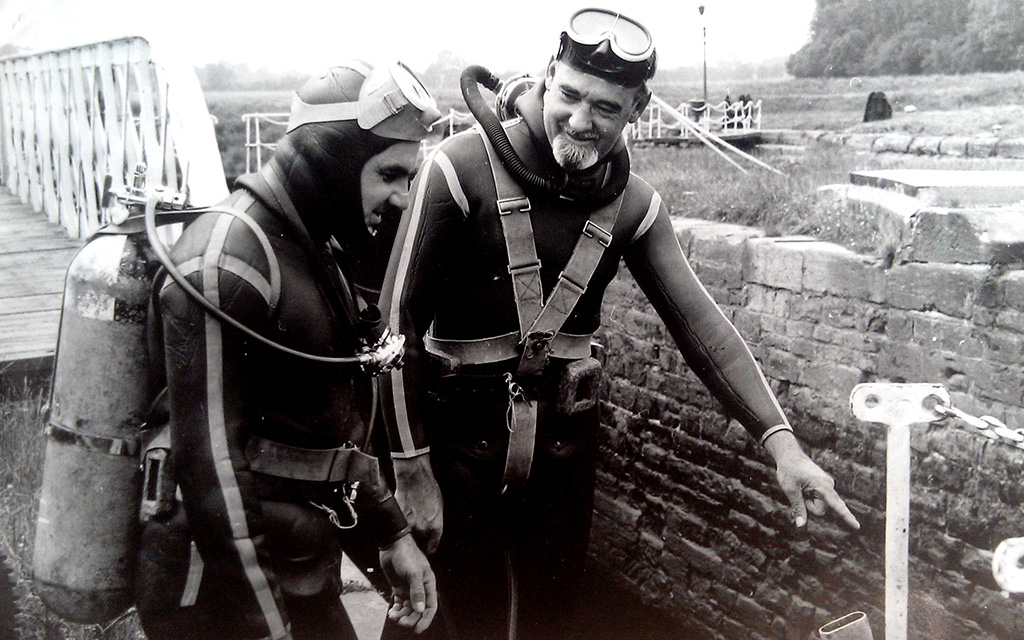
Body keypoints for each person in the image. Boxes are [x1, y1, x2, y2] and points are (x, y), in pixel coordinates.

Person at [377, 8, 861, 640]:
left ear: (638, 108)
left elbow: (701, 326)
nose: (579, 121)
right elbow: (393, 332)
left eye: (606, 108)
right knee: (444, 622)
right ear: (549, 76)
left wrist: (783, 445)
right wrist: (408, 471)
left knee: (555, 622)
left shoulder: (634, 204)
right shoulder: (457, 168)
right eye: (569, 95)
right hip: (451, 452)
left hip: (560, 456)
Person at [135, 61, 442, 640]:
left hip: (297, 563)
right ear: (334, 161)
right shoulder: (230, 263)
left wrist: (391, 532)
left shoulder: (307, 244)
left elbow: (327, 419)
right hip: (219, 590)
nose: (403, 198)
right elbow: (211, 472)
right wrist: (268, 625)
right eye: (391, 175)